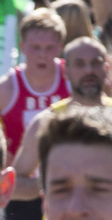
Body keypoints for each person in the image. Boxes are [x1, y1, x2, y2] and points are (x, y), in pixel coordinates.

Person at [0, 7, 69, 220]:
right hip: (24, 193)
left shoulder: (74, 80)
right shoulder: (3, 90)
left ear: (60, 47)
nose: (42, 55)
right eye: (35, 47)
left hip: (68, 186)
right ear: (22, 46)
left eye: (50, 48)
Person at [12, 36, 111, 203]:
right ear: (65, 70)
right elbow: (15, 184)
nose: (89, 71)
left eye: (95, 63)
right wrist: (58, 183)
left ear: (106, 68)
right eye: (80, 64)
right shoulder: (47, 122)